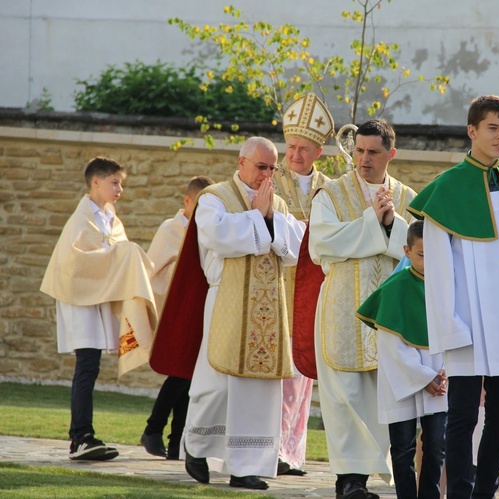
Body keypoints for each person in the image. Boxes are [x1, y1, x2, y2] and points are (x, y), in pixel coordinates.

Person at [408, 95, 499, 499]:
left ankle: (485, 492)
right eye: (493, 128)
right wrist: (447, 325)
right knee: (462, 417)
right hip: (466, 321)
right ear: (472, 130)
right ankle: (459, 492)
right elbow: (438, 270)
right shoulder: (448, 189)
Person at [172, 137, 305, 489]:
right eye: (261, 166)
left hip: (268, 306)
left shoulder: (276, 202)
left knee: (257, 389)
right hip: (225, 300)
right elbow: (217, 236)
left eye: (272, 168)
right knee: (216, 383)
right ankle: (197, 446)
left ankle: (245, 466)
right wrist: (258, 216)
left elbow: (295, 245)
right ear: (241, 161)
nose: (267, 174)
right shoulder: (214, 197)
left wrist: (272, 215)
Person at [309, 119, 417, 499]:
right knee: (346, 397)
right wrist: (376, 223)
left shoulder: (405, 196)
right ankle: (349, 482)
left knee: (381, 397)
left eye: (373, 152)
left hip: (390, 310)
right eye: (359, 151)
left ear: (391, 153)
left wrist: (392, 224)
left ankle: (371, 478)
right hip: (343, 306)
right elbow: (322, 243)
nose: (364, 159)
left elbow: (420, 248)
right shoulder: (332, 194)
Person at [40, 157, 156, 461]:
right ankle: (80, 438)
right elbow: (76, 261)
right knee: (87, 364)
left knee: (91, 366)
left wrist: (123, 255)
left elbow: (115, 255)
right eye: (114, 182)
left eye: (121, 184)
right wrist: (121, 254)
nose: (119, 189)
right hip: (77, 295)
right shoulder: (83, 219)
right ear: (96, 181)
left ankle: (84, 436)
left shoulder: (110, 217)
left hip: (96, 297)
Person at [356, 220, 448, 499]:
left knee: (436, 445)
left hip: (440, 375)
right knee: (403, 447)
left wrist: (441, 373)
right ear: (407, 251)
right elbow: (390, 345)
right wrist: (423, 377)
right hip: (403, 377)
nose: (429, 261)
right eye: (422, 254)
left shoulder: (448, 286)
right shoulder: (395, 287)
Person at [273, 93, 334, 476]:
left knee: (302, 378)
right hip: (277, 289)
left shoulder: (332, 188)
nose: (294, 154)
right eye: (291, 147)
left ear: (318, 151)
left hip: (313, 292)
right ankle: (269, 450)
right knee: (278, 377)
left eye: (303, 148)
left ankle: (291, 454)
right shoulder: (271, 178)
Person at [140, 175, 214, 460]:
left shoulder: (205, 228)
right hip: (176, 308)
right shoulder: (171, 229)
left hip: (198, 309)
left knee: (190, 377)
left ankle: (176, 440)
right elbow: (154, 271)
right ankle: (153, 429)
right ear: (187, 201)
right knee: (180, 373)